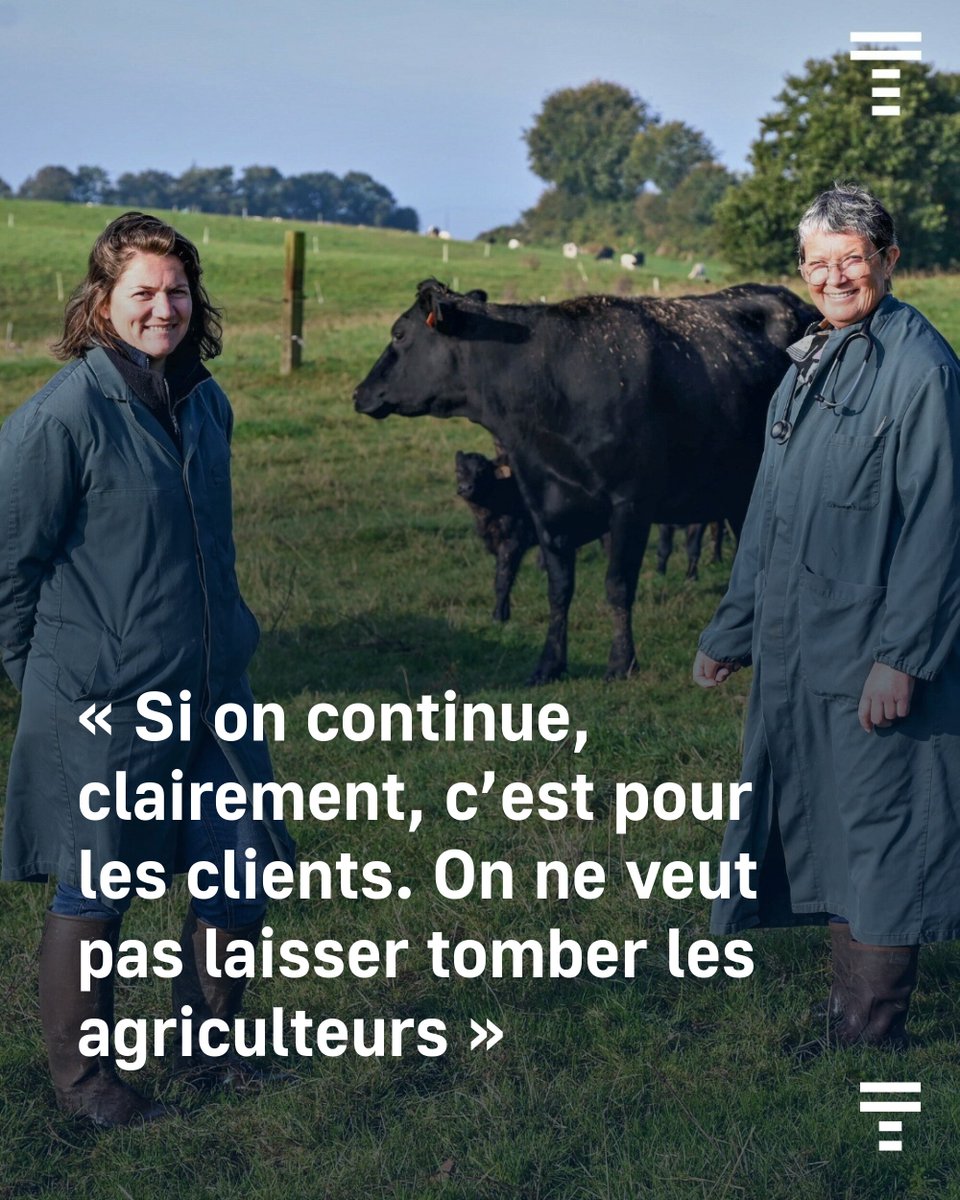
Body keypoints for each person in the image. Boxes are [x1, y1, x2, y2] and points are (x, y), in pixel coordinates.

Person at [0, 212, 294, 1125]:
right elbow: (8, 568)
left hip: (213, 693)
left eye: (177, 291)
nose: (162, 308)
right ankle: (87, 1088)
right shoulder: (60, 418)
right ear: (101, 303)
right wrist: (46, 681)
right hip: (105, 702)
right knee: (98, 883)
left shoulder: (206, 401)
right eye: (142, 293)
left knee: (240, 870)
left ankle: (210, 1056)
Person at [692, 183, 960, 1050]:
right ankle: (848, 1012)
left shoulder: (923, 371)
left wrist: (905, 658)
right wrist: (731, 631)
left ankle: (872, 1035)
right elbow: (768, 512)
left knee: (882, 834)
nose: (836, 277)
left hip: (875, 657)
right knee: (840, 828)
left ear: (888, 260)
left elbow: (942, 528)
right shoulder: (812, 362)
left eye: (853, 259)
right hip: (804, 648)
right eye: (819, 264)